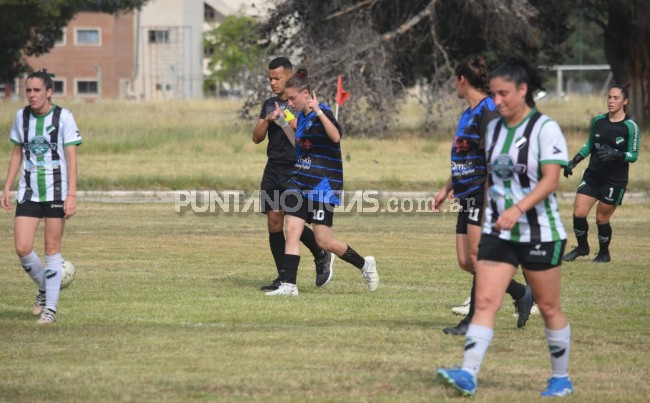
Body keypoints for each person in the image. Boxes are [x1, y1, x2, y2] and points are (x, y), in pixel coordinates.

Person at [436, 57, 574, 397]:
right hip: (500, 229)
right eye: (494, 94)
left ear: (523, 90)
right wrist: (484, 211)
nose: (497, 102)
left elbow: (551, 179)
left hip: (539, 230)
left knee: (549, 306)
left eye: (504, 94)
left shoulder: (545, 128)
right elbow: (489, 176)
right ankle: (468, 374)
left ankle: (560, 377)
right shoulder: (495, 128)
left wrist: (518, 207)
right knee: (484, 300)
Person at [434, 56, 533, 336]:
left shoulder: (487, 110)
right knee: (467, 261)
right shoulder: (467, 113)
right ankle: (521, 292)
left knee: (479, 257)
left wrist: (492, 198)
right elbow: (466, 158)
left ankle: (472, 321)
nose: (454, 84)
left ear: (462, 80)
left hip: (482, 192)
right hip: (465, 193)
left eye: (455, 80)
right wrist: (446, 189)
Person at [265, 68, 378, 296]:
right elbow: (298, 145)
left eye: (293, 99)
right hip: (299, 181)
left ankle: (365, 265)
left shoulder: (321, 110)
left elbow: (336, 137)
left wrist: (319, 112)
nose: (290, 104)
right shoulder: (301, 117)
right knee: (292, 230)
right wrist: (283, 124)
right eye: (288, 100)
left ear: (305, 94)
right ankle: (289, 285)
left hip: (322, 185)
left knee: (324, 241)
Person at [1, 69, 82, 324]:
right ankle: (47, 288)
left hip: (57, 190)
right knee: (22, 248)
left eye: (37, 90)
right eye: (28, 90)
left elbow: (72, 158)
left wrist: (71, 195)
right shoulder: (21, 117)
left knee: (51, 249)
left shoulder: (63, 117)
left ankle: (50, 310)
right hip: (28, 191)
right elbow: (17, 154)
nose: (32, 95)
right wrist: (6, 187)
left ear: (49, 92)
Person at [252, 57, 334, 291]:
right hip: (273, 168)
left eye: (277, 78)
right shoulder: (269, 104)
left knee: (293, 222)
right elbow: (256, 138)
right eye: (269, 78)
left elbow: (306, 131)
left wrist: (285, 118)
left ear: (289, 76)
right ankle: (283, 276)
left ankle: (321, 253)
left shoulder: (299, 102)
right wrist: (267, 121)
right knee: (274, 221)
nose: (272, 83)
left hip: (296, 168)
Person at [562, 84, 640, 263]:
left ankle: (604, 253)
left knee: (601, 217)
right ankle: (582, 247)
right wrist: (573, 161)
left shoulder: (630, 127)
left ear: (625, 101)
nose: (611, 101)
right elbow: (589, 144)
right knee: (579, 213)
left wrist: (617, 155)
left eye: (616, 98)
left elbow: (633, 155)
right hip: (593, 175)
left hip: (614, 180)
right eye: (609, 97)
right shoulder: (598, 120)